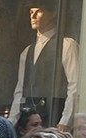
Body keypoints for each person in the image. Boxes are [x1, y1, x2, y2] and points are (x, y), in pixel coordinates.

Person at [8, 1, 79, 130]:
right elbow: (19, 91)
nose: (33, 16)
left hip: (55, 119)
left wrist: (65, 120)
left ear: (53, 13)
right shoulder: (26, 52)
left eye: (39, 11)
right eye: (31, 12)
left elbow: (75, 84)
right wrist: (11, 121)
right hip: (30, 123)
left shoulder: (66, 45)